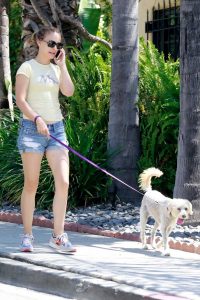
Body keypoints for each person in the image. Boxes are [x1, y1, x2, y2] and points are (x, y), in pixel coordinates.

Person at [15, 26, 76, 253]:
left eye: (58, 45)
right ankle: (27, 235)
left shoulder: (56, 68)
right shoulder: (27, 68)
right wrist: (37, 118)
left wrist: (62, 65)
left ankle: (58, 237)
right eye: (51, 43)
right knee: (31, 184)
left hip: (56, 130)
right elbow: (20, 100)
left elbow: (68, 92)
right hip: (32, 130)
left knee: (63, 182)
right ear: (39, 41)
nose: (54, 48)